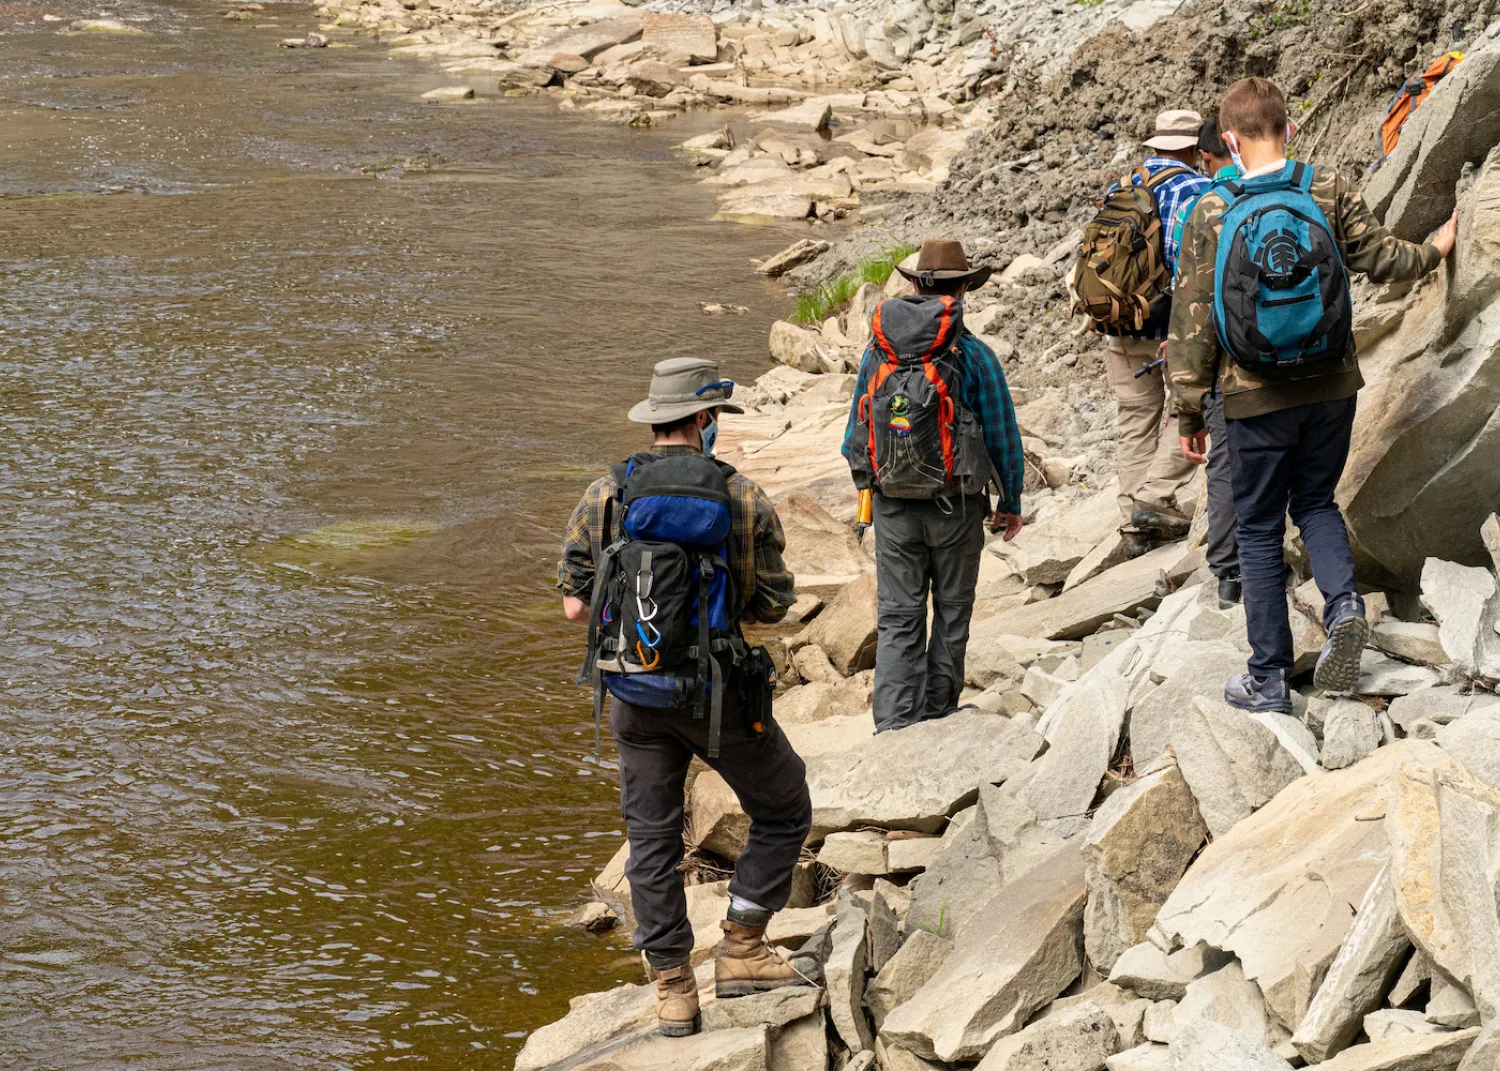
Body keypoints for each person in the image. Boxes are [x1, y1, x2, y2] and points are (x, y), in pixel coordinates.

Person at [1169, 77, 1457, 713]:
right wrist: (1437, 249)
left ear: (1230, 140)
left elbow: (1192, 321)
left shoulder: (1211, 209)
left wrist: (1188, 411)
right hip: (1331, 384)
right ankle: (1345, 605)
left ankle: (1268, 677)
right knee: (1317, 503)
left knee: (1258, 529)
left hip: (1253, 398)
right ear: (1289, 128)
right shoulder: (1325, 186)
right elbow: (1384, 260)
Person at [558, 358, 808, 1037]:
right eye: (715, 416)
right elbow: (772, 606)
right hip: (719, 694)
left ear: (655, 420)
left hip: (633, 694)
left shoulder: (606, 492)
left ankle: (673, 990)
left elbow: (574, 607)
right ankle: (743, 945)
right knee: (784, 806)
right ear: (703, 420)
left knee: (650, 839)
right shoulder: (742, 496)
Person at [841, 239, 1025, 733]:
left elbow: (853, 435)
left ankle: (893, 726)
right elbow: (1002, 436)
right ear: (963, 290)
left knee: (898, 617)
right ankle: (938, 716)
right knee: (951, 614)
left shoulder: (876, 352)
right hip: (956, 507)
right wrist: (1010, 501)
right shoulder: (974, 354)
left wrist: (872, 487)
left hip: (892, 506)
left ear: (916, 284)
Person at [1099, 109, 1212, 537]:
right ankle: (1155, 497)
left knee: (1135, 420)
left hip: (1121, 325)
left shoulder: (1121, 187)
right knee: (1193, 407)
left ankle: (1132, 514)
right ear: (1195, 148)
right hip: (1170, 326)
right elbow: (1193, 265)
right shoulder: (1197, 189)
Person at [1172, 115, 1245, 608]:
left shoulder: (1201, 209)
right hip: (1306, 355)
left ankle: (1230, 575)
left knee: (1227, 466)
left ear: (1205, 156)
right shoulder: (1298, 188)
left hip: (1229, 367)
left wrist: (1189, 410)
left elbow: (1191, 311)